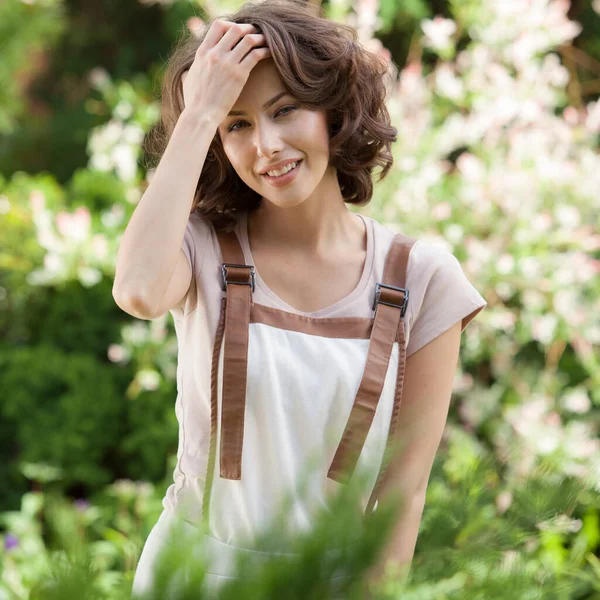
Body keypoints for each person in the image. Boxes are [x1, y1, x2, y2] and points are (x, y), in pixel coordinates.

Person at [112, 0, 487, 596]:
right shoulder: (201, 249)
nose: (266, 146)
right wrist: (198, 109)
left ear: (333, 111)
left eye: (284, 111)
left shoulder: (423, 279)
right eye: (236, 124)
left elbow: (402, 489)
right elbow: (136, 290)